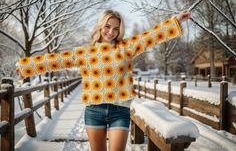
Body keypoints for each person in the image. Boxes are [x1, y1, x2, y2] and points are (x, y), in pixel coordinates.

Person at [16, 9, 191, 151]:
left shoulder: (126, 47)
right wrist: (24, 67)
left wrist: (174, 21)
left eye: (116, 29)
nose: (111, 32)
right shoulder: (85, 52)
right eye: (108, 26)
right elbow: (56, 60)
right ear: (100, 26)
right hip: (94, 111)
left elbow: (149, 37)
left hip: (119, 111)